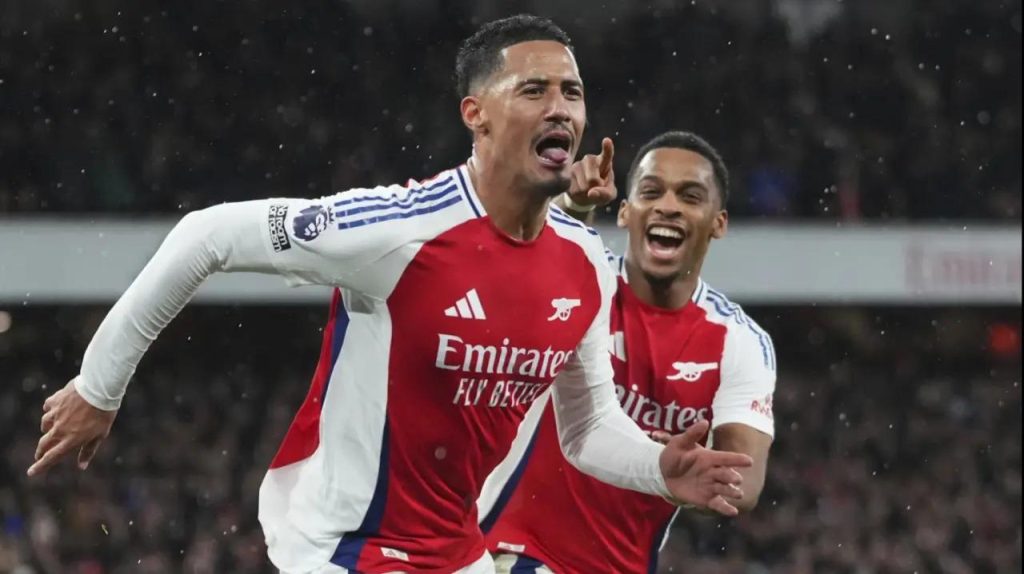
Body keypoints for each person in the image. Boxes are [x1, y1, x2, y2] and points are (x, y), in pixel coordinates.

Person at [28, 16, 753, 574]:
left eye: (572, 92)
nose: (560, 107)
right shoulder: (400, 232)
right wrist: (100, 385)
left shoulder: (586, 264)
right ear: (476, 114)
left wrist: (659, 468)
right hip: (344, 547)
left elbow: (588, 426)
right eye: (534, 90)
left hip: (456, 551)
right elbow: (207, 234)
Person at [481, 131, 776, 573]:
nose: (668, 206)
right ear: (625, 211)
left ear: (718, 222)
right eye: (651, 192)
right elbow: (526, 263)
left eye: (690, 196)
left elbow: (743, 482)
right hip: (514, 551)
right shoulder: (584, 285)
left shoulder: (740, 342)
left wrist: (684, 469)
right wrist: (573, 206)